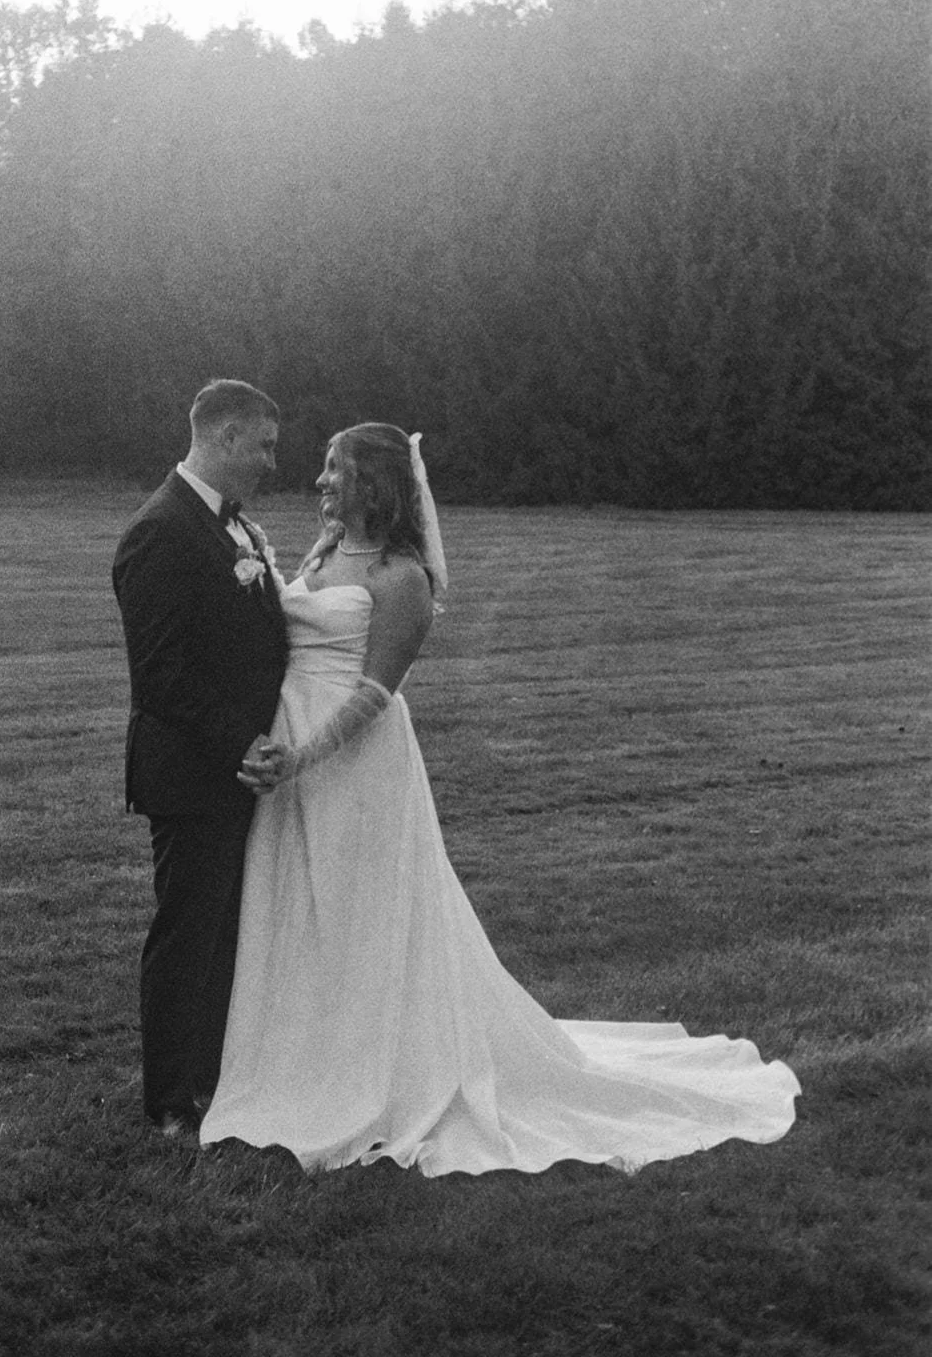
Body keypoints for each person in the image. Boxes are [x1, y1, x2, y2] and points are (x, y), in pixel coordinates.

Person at [200, 423, 800, 1177]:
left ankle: (374, 1072)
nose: (319, 482)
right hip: (290, 745)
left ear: (375, 484)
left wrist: (303, 758)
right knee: (301, 906)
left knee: (362, 910)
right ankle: (296, 1056)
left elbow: (377, 692)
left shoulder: (403, 579)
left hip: (350, 762)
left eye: (334, 469)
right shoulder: (320, 555)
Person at [112, 380, 288, 1137]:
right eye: (263, 446)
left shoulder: (231, 525)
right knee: (188, 932)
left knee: (224, 930)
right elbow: (160, 675)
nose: (271, 463)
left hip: (235, 769)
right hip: (190, 771)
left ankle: (214, 1074)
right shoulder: (160, 531)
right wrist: (238, 742)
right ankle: (169, 1100)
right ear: (221, 437)